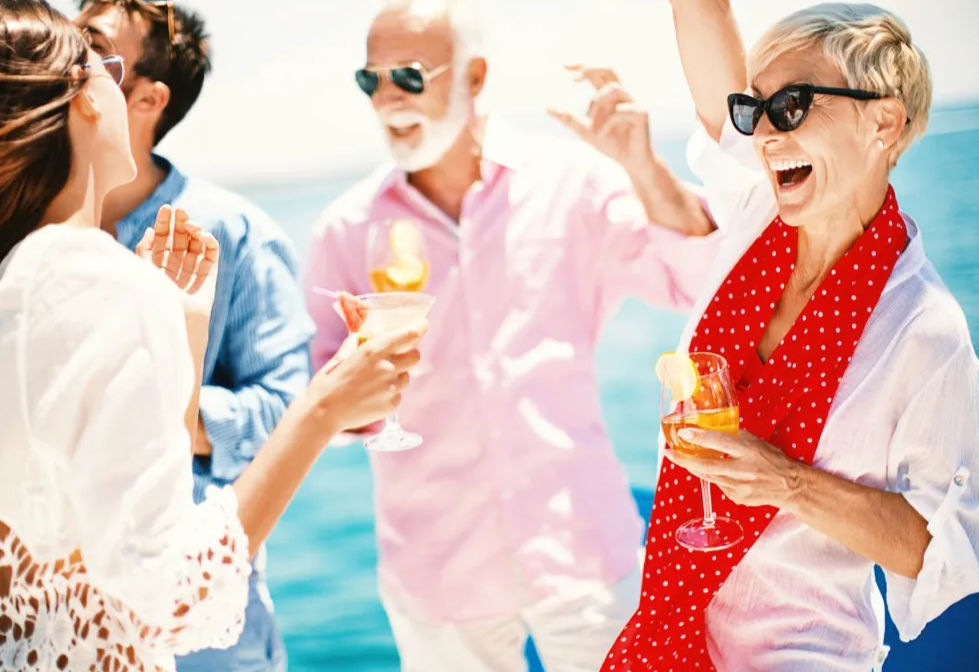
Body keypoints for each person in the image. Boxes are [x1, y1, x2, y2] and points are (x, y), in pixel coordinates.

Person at [0, 2, 424, 670]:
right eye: (99, 65)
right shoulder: (99, 280)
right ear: (83, 100)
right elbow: (173, 600)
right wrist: (323, 407)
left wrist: (182, 337)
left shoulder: (24, 274)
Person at [304, 1, 722, 669]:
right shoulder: (344, 229)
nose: (387, 99)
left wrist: (643, 166)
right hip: (437, 573)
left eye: (407, 76)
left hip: (583, 548)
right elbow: (323, 406)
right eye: (369, 80)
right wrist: (358, 387)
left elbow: (695, 279)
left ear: (475, 76)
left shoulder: (572, 183)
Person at [598, 3, 979, 671]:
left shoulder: (925, 328)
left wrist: (786, 482)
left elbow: (940, 548)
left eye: (793, 105)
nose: (766, 135)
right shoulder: (754, 213)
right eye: (756, 110)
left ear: (883, 122)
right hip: (667, 638)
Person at [72, 2, 314, 668]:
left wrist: (158, 413)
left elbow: (289, 414)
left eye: (92, 46)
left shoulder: (236, 232)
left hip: (200, 623)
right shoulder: (30, 227)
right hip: (65, 616)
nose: (69, 59)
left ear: (148, 99)